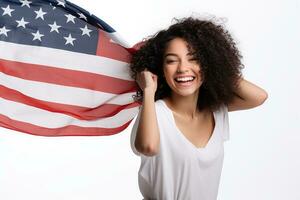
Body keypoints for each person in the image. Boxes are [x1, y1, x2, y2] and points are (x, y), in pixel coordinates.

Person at [129, 16, 268, 200]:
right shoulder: (156, 113)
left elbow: (259, 97)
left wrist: (219, 65)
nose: (183, 69)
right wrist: (148, 90)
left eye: (193, 59)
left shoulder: (215, 111)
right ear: (160, 68)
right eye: (172, 61)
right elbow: (148, 147)